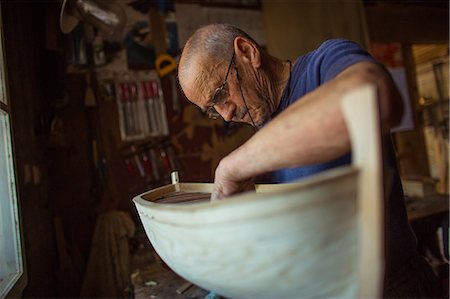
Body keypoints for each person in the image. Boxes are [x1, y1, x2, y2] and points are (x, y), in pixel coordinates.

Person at [178, 24, 443, 298]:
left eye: (221, 94)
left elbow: (373, 98)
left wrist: (231, 166)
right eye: (212, 110)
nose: (226, 115)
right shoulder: (263, 136)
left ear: (247, 52)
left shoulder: (324, 64)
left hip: (390, 289)